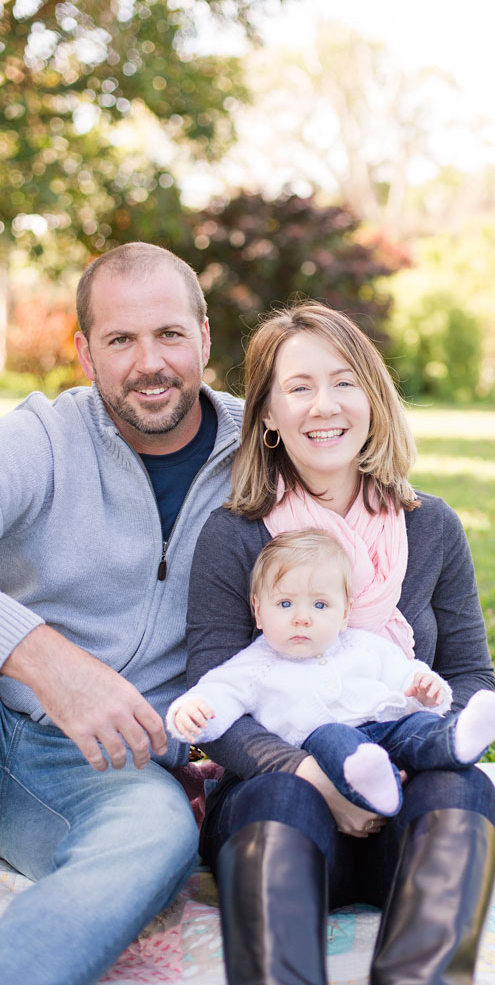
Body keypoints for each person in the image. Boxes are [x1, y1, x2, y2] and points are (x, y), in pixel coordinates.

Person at [185, 300, 495, 985]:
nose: (324, 405)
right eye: (299, 387)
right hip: (289, 808)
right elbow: (216, 703)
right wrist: (315, 775)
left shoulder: (432, 528)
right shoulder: (236, 534)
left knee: (464, 787)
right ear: (269, 417)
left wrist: (411, 753)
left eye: (344, 382)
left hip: (404, 805)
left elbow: (467, 673)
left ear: (372, 398)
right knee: (273, 800)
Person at [0, 242, 244, 985]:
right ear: (84, 353)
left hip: (104, 766)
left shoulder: (262, 451)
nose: (149, 363)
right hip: (19, 716)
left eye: (169, 334)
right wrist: (42, 657)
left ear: (204, 337)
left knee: (154, 834)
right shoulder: (39, 439)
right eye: (120, 339)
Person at [168, 529, 495, 817]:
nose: (302, 618)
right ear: (258, 610)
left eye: (320, 605)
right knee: (333, 737)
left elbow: (404, 673)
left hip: (386, 727)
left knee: (419, 727)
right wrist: (194, 710)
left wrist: (426, 689)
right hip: (319, 745)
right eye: (285, 604)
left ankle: (457, 740)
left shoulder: (362, 645)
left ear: (345, 613)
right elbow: (217, 692)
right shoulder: (255, 665)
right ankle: (374, 781)